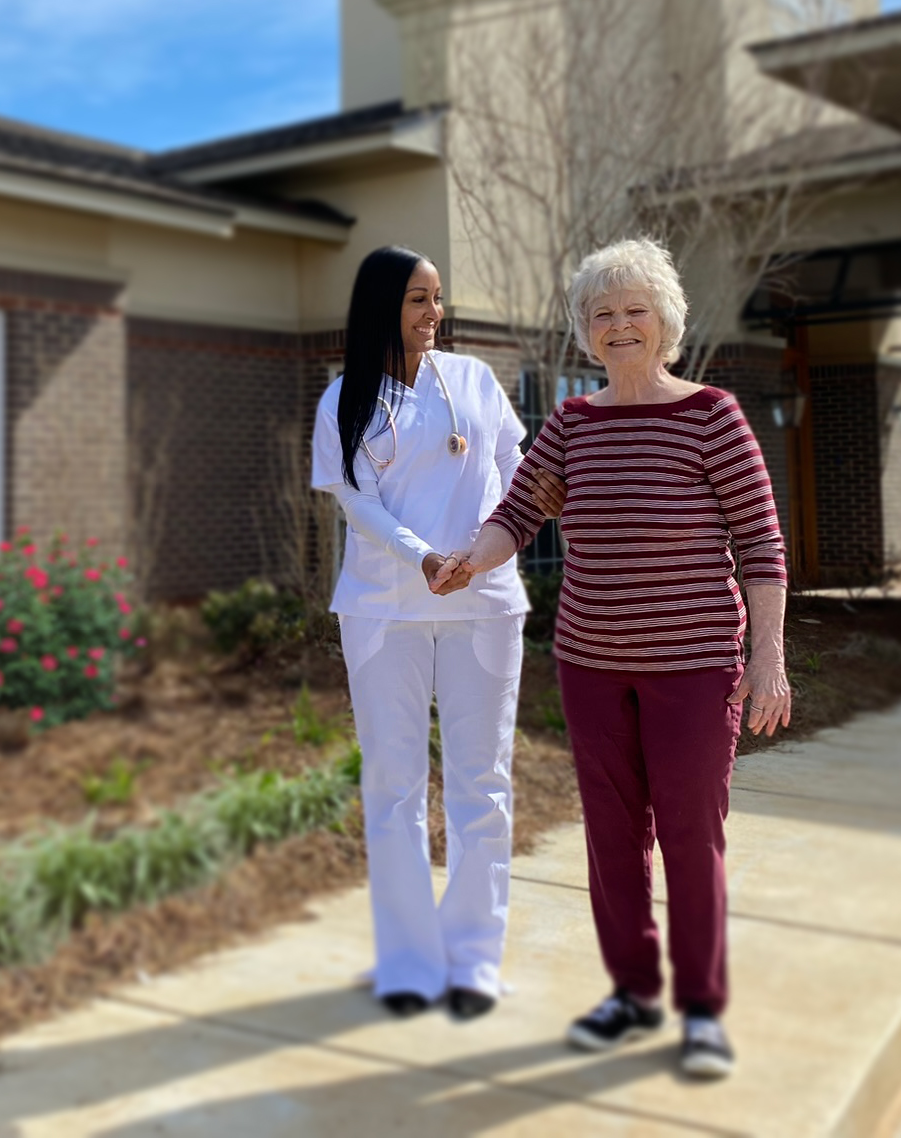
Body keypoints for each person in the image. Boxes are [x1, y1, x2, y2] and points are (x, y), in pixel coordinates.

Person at [431, 237, 790, 1078]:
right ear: (586, 333)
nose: (620, 325)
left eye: (635, 311)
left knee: (692, 835)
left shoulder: (712, 415)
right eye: (603, 314)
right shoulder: (572, 423)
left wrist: (767, 660)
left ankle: (701, 1008)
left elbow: (763, 546)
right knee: (612, 835)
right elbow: (516, 515)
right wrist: (466, 561)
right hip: (592, 664)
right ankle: (632, 992)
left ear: (665, 322)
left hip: (696, 667)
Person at [311, 244, 563, 1021]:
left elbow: (521, 477)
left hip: (483, 606)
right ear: (382, 306)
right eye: (419, 299)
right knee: (393, 788)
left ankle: (474, 961)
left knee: (482, 782)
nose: (435, 313)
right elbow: (358, 502)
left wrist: (485, 550)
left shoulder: (477, 383)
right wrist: (424, 559)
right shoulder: (344, 399)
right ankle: (411, 964)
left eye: (438, 298)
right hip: (385, 611)